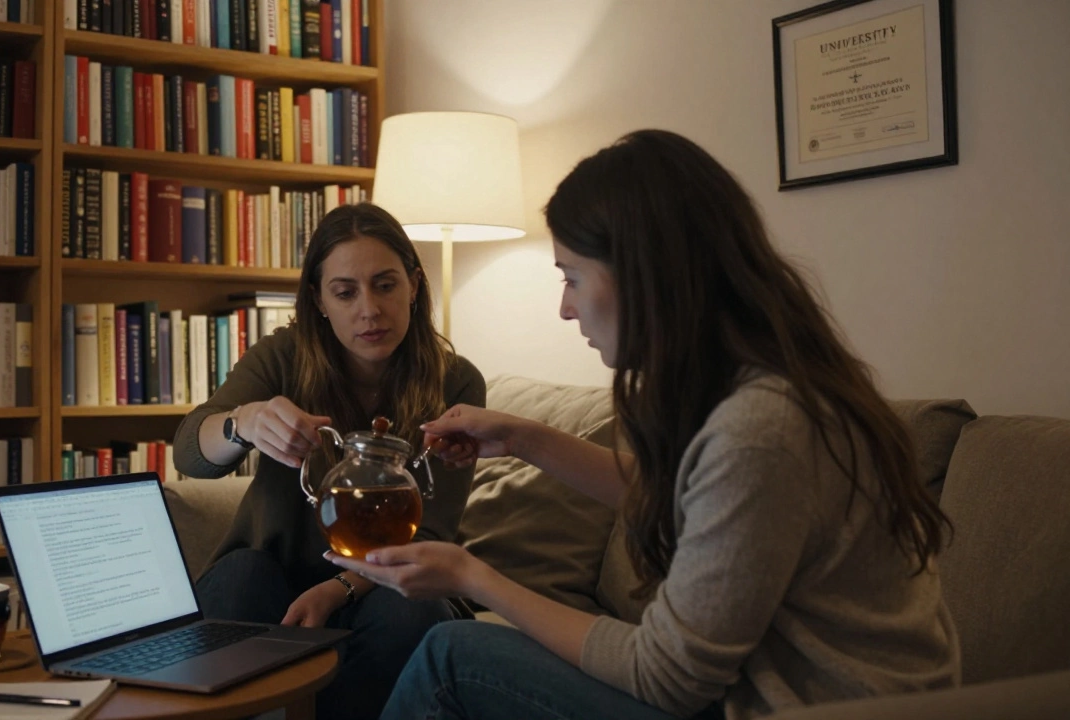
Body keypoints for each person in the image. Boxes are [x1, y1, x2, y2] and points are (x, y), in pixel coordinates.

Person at [329, 130, 961, 720]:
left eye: (572, 277)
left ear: (643, 274)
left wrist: (472, 577)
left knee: (452, 656)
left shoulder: (762, 428)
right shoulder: (754, 387)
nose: (565, 306)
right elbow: (684, 502)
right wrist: (524, 438)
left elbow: (668, 674)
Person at [172, 202, 485, 720]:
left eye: (385, 285)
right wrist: (243, 422)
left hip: (388, 581)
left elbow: (431, 535)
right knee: (239, 580)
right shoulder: (283, 356)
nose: (370, 310)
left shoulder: (456, 381)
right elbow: (190, 452)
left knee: (412, 608)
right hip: (272, 572)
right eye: (345, 292)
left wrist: (337, 589)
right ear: (318, 299)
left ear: (413, 284)